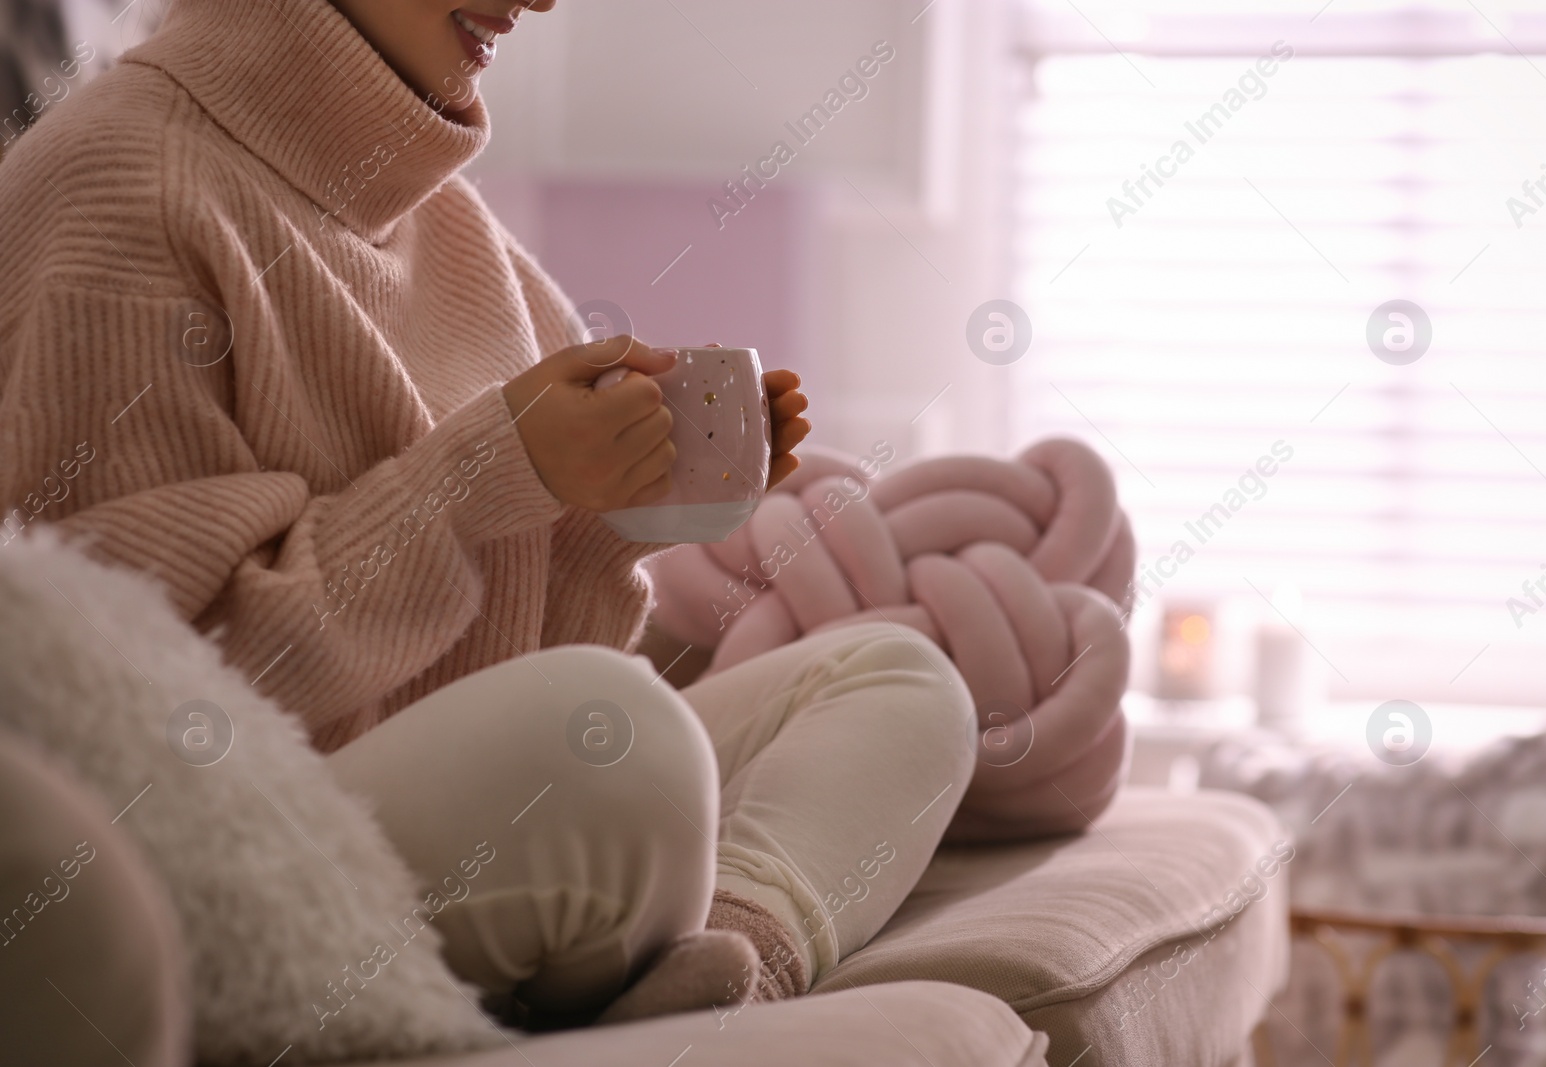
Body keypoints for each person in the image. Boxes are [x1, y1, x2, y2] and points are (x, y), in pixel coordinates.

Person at [0, 0, 977, 1026]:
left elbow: (547, 662)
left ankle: (734, 959)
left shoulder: (446, 220)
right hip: (247, 852)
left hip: (453, 795)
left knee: (900, 680)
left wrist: (617, 507)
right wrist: (489, 474)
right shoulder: (120, 183)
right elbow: (164, 716)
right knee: (623, 749)